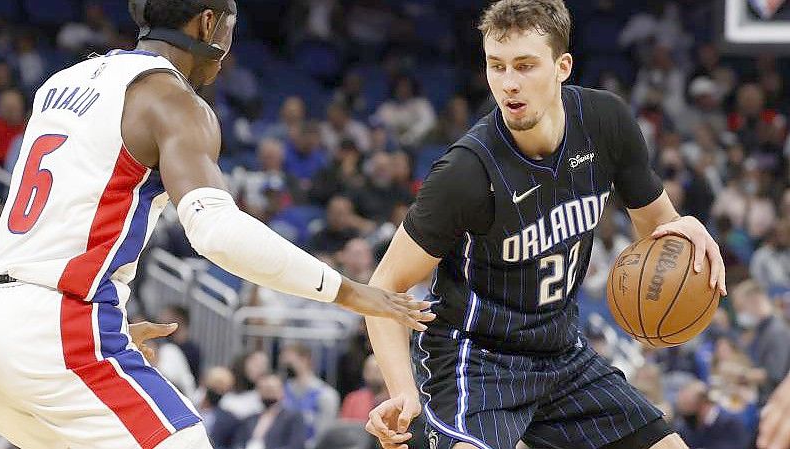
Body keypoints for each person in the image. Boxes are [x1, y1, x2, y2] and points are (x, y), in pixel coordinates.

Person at [0, 0, 434, 447]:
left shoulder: (59, 83)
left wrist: (113, 327)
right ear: (209, 23)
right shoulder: (173, 101)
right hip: (61, 332)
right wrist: (351, 292)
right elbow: (217, 233)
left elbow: (60, 228)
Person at [363, 2, 726, 449]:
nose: (509, 83)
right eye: (496, 67)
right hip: (478, 361)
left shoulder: (605, 122)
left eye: (525, 66)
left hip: (561, 353)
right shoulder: (465, 173)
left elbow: (656, 228)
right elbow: (385, 283)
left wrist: (683, 228)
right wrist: (402, 391)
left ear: (562, 66)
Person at [233, 374, 307, 449]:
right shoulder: (250, 419)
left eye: (270, 389)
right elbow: (238, 443)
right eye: (263, 389)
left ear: (281, 392)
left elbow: (296, 445)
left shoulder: (293, 417)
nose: (267, 393)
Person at [673, 380, 749, 449]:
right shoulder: (685, 426)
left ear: (703, 403)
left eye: (688, 405)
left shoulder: (732, 423)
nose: (686, 413)